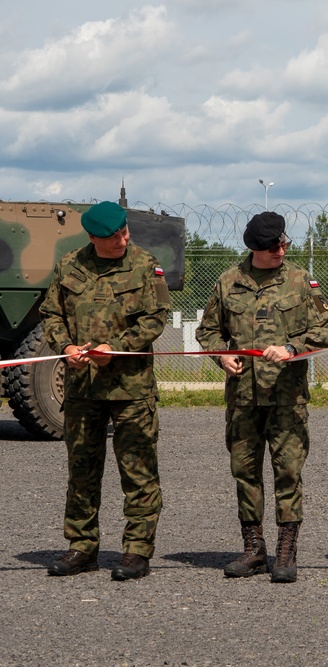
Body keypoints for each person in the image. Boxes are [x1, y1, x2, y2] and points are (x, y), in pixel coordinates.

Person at [195, 212, 328, 583]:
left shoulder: (299, 281)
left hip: (286, 397)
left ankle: (286, 550)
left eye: (284, 243)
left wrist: (292, 346)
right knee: (244, 471)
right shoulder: (229, 282)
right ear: (255, 249)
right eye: (274, 246)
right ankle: (253, 548)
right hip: (242, 397)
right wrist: (220, 354)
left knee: (287, 470)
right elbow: (208, 330)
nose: (281, 250)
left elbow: (326, 327)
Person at [40, 200, 170, 581]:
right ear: (95, 238)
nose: (124, 240)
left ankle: (136, 552)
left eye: (126, 232)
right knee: (82, 471)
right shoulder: (70, 266)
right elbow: (52, 314)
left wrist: (118, 348)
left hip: (131, 389)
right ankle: (82, 547)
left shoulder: (145, 264)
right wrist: (65, 347)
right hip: (82, 389)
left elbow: (156, 317)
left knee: (139, 473)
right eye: (115, 237)